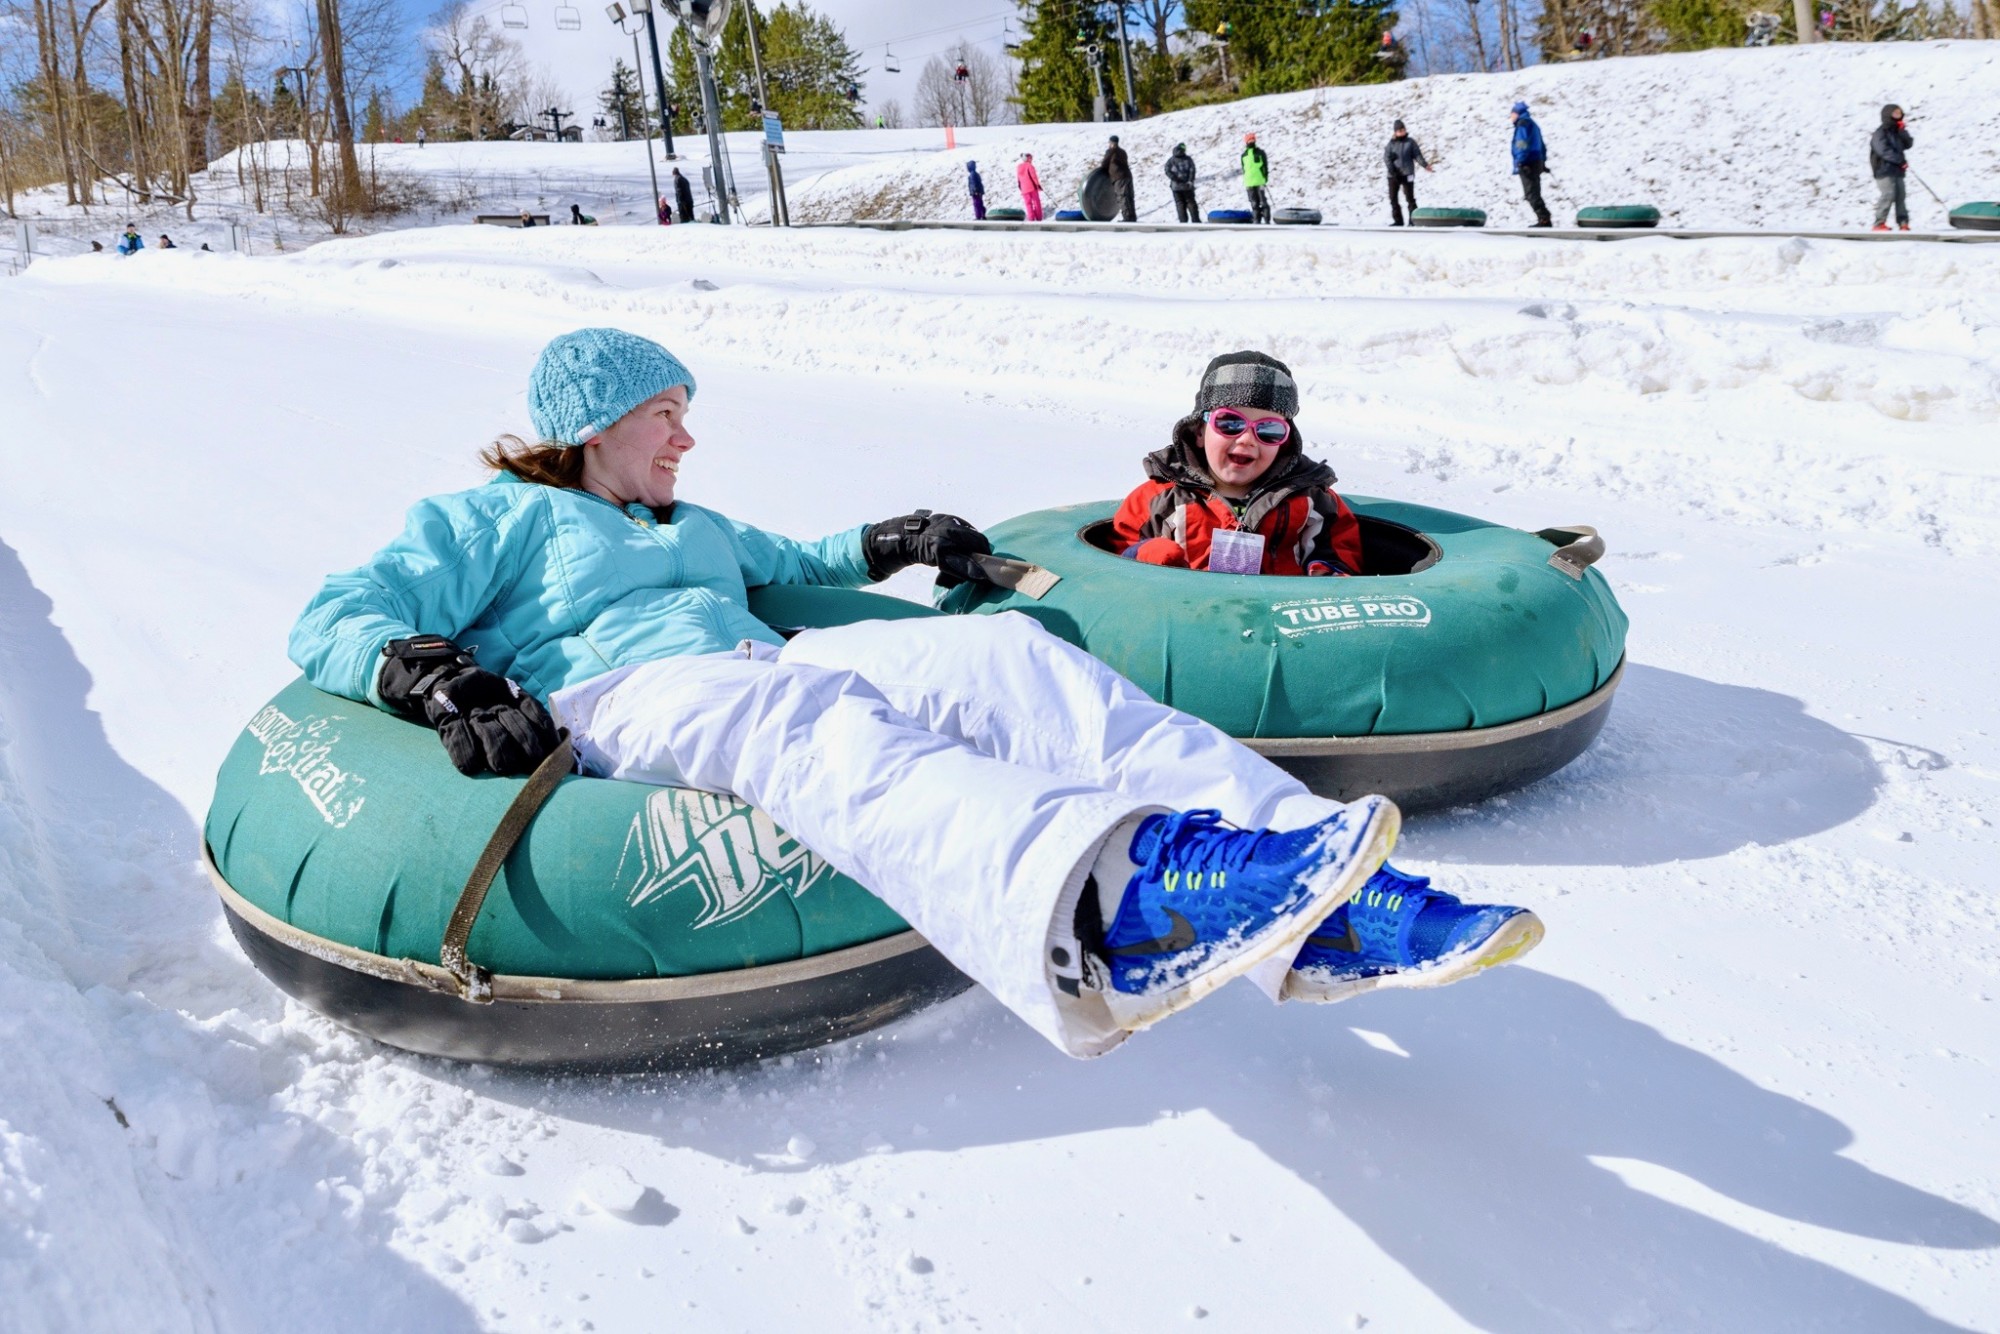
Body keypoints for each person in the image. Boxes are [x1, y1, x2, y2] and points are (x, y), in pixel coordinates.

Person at [288, 328, 1542, 1059]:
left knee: (1005, 662)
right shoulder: (497, 518)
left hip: (746, 660)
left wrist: (893, 539)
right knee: (813, 722)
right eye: (664, 416)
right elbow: (337, 612)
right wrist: (436, 676)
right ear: (594, 423)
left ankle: (1328, 896)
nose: (683, 439)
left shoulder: (696, 521)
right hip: (618, 696)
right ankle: (1131, 899)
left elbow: (799, 567)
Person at [1110, 351, 1363, 577]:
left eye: (1269, 430)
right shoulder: (1158, 500)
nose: (1247, 439)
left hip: (1279, 617)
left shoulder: (1312, 500)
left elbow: (1339, 547)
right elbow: (1115, 556)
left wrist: (1329, 574)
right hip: (1188, 614)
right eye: (1230, 423)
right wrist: (1144, 554)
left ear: (1283, 443)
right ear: (1200, 431)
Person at [1870, 104, 1914, 232]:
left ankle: (1903, 223)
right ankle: (1879, 223)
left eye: (1899, 113)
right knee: (1888, 194)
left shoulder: (1897, 131)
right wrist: (1899, 160)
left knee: (1901, 195)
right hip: (1883, 169)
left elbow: (1909, 144)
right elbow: (1883, 150)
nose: (1898, 115)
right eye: (1895, 113)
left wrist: (1902, 131)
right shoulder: (1880, 132)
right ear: (1888, 115)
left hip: (1898, 169)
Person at [1509, 102, 1553, 228]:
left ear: (1517, 113)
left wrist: (1521, 161)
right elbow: (1542, 145)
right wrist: (1543, 161)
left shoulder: (1523, 125)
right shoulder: (1533, 124)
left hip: (1528, 163)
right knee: (1534, 192)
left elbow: (1521, 144)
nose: (1511, 117)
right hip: (1536, 161)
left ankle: (1544, 218)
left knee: (1531, 193)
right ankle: (1544, 218)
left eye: (1512, 114)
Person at [1383, 119, 1432, 227]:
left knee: (1410, 198)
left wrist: (1425, 165)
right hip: (1393, 175)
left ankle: (1413, 220)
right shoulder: (1391, 144)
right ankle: (1398, 220)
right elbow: (1386, 158)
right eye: (1399, 130)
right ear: (1395, 132)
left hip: (1407, 173)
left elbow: (1417, 155)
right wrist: (1392, 169)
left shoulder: (1410, 142)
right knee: (1393, 198)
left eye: (1403, 129)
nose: (1401, 132)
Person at [1103, 134, 1136, 222]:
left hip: (1118, 177)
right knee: (1129, 196)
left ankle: (1127, 218)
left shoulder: (1110, 151)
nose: (1108, 144)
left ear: (1112, 143)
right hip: (1128, 176)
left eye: (1109, 143)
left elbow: (1104, 163)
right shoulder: (1123, 152)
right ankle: (1132, 217)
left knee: (1122, 196)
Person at [1241, 133, 1272, 224]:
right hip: (1249, 182)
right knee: (1254, 203)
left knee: (1263, 202)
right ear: (1246, 141)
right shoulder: (1244, 155)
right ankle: (1256, 221)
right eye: (1249, 140)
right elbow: (1244, 169)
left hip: (1259, 181)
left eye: (1252, 139)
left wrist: (1265, 177)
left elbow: (1265, 166)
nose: (1251, 141)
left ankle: (1267, 220)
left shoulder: (1260, 153)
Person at [1165, 143, 1199, 224]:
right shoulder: (1188, 159)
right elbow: (1192, 170)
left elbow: (1167, 171)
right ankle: (1196, 220)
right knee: (1191, 203)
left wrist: (1175, 179)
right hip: (1187, 186)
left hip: (1176, 187)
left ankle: (1183, 222)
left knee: (1180, 204)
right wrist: (1190, 180)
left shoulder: (1171, 160)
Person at [1017, 153, 1044, 222]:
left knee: (1028, 204)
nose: (1031, 159)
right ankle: (1038, 217)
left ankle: (1031, 218)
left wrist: (1021, 187)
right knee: (1036, 202)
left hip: (1024, 189)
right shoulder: (1030, 166)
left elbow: (1018, 179)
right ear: (1028, 158)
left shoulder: (1019, 167)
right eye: (1031, 158)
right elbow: (1034, 177)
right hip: (1032, 187)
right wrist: (1038, 185)